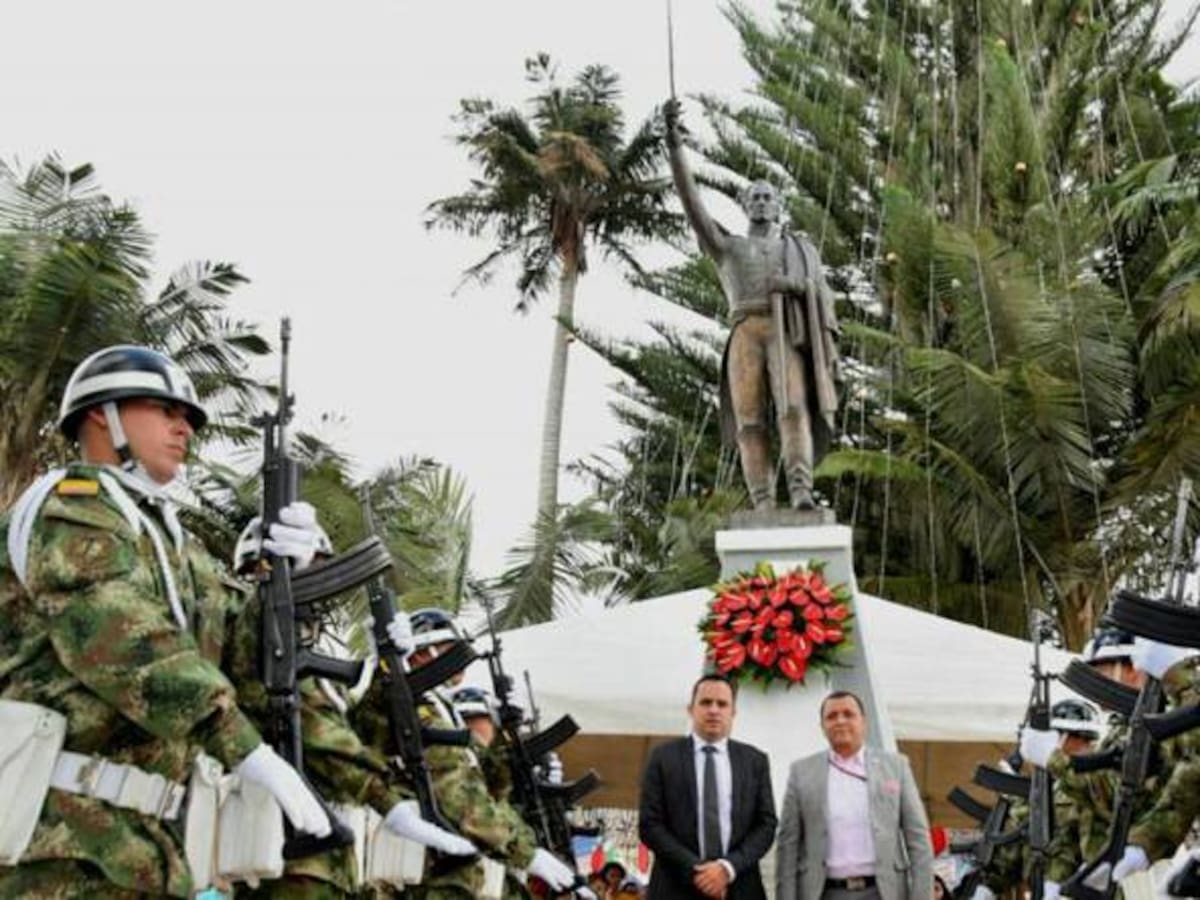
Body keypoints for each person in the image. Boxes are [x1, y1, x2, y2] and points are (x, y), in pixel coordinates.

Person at [0, 346, 331, 897]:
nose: (184, 429)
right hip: (61, 846)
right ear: (98, 415)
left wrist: (288, 589)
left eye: (189, 419)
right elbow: (118, 637)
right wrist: (241, 745)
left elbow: (241, 663)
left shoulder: (180, 547)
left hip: (153, 849)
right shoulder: (68, 507)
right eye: (164, 410)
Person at [664, 99, 840, 511]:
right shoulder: (728, 248)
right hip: (745, 332)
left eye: (768, 197)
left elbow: (822, 293)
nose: (761, 202)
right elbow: (693, 207)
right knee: (749, 422)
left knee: (793, 407)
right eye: (754, 197)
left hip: (784, 330)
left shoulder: (797, 249)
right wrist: (674, 147)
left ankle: (800, 491)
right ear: (745, 204)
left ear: (778, 207)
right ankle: (762, 500)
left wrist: (795, 283)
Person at [352, 607, 578, 899]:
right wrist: (524, 853)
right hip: (419, 874)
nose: (458, 660)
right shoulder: (404, 704)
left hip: (451, 873)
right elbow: (457, 789)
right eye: (448, 648)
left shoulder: (441, 709)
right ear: (421, 651)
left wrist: (509, 741)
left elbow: (485, 784)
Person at [775, 690, 933, 900]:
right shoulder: (802, 772)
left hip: (883, 892)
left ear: (864, 722)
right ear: (822, 726)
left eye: (848, 714)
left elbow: (919, 840)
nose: (840, 721)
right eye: (831, 716)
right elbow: (787, 847)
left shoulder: (896, 766)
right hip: (824, 893)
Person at [638, 673, 777, 899]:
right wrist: (700, 871)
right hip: (675, 887)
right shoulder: (663, 758)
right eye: (705, 702)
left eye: (722, 704)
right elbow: (650, 825)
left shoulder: (755, 761)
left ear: (733, 713)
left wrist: (726, 868)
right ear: (690, 709)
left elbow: (766, 824)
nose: (714, 710)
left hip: (740, 887)